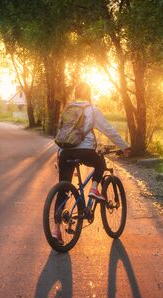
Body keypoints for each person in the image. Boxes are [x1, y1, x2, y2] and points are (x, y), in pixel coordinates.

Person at [53, 82, 130, 243]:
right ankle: (94, 188)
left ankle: (56, 229)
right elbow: (109, 130)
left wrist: (59, 155)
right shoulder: (92, 110)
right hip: (86, 151)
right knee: (100, 162)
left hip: (65, 152)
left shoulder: (67, 110)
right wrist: (124, 146)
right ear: (88, 94)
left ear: (75, 94)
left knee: (63, 188)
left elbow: (63, 134)